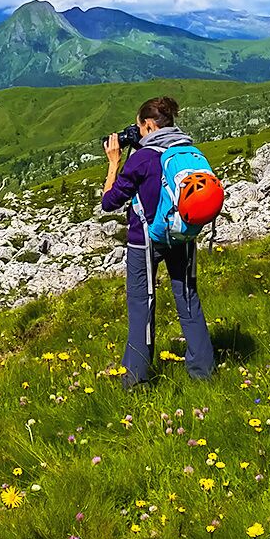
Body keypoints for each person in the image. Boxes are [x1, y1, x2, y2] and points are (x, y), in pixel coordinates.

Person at [97, 96, 213, 387]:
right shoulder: (189, 150)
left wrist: (114, 163)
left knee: (141, 306)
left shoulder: (142, 159)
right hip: (183, 234)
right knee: (188, 300)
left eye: (140, 126)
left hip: (145, 240)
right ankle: (203, 372)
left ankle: (135, 380)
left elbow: (109, 202)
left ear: (148, 124)